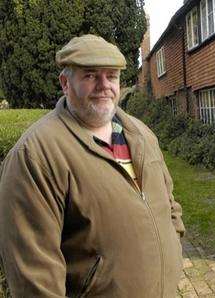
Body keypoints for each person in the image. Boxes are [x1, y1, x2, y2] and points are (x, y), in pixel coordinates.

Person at [0, 34, 185, 297]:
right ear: (65, 83)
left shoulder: (142, 134)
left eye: (111, 76)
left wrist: (174, 242)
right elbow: (34, 276)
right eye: (90, 76)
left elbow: (169, 202)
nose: (104, 86)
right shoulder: (35, 155)